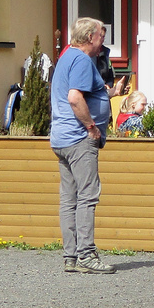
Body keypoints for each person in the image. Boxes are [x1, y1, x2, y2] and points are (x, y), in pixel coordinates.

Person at [51, 18, 124, 274]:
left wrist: (112, 93)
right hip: (79, 139)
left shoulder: (67, 57)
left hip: (61, 138)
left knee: (69, 199)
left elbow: (86, 91)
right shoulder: (82, 60)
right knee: (87, 196)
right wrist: (91, 127)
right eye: (100, 36)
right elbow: (74, 97)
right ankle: (86, 255)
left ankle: (70, 256)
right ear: (90, 37)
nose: (102, 40)